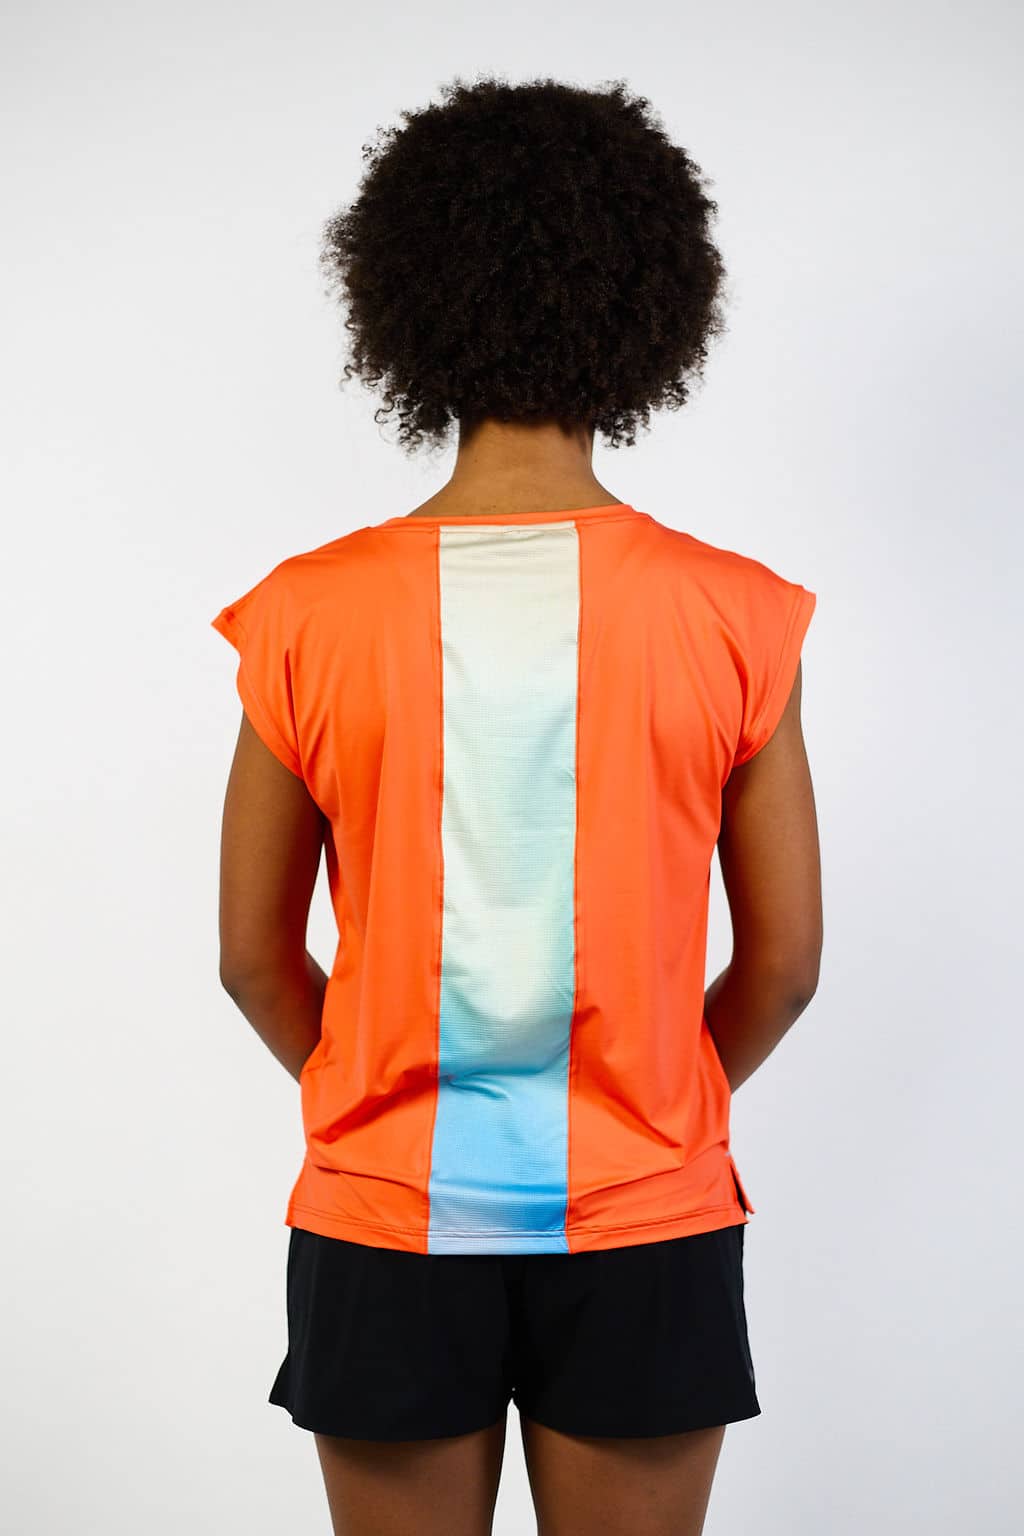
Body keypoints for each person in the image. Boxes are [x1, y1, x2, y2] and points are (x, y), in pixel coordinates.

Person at [212, 74, 821, 1536]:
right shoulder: (739, 616)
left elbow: (251, 958)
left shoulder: (303, 616)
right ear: (650, 306)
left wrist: (372, 1095)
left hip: (383, 1211)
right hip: (648, 1214)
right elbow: (788, 964)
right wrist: (653, 1107)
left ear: (407, 300)